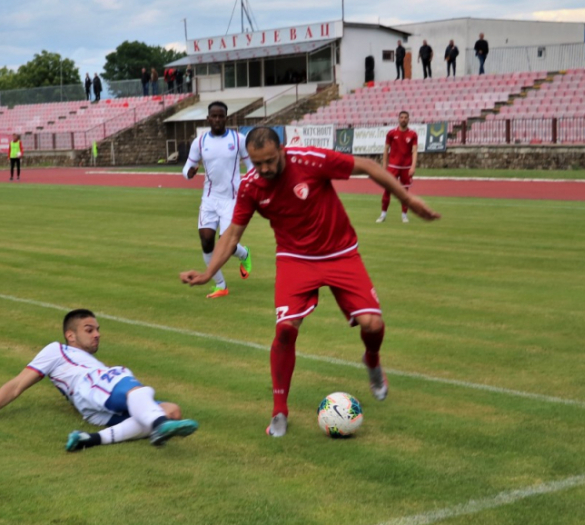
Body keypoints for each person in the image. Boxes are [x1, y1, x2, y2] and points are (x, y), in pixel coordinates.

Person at [180, 127, 440, 437]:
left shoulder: (312, 160)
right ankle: (279, 411)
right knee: (285, 330)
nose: (264, 169)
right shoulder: (251, 186)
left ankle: (371, 360)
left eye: (270, 161)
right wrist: (208, 273)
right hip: (295, 260)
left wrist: (408, 198)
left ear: (283, 150)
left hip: (341, 253)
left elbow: (368, 167)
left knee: (372, 324)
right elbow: (233, 234)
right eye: (257, 163)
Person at [0, 309, 199, 451]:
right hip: (87, 386)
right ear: (71, 335)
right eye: (89, 330)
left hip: (96, 408)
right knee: (124, 377)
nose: (97, 334)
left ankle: (88, 439)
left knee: (172, 411)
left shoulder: (92, 362)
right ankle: (157, 425)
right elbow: (15, 386)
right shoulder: (57, 351)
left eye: (98, 330)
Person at [182, 101, 255, 299]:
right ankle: (220, 285)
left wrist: (249, 185)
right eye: (213, 116)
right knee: (206, 241)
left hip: (232, 199)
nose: (217, 119)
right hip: (209, 198)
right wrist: (189, 172)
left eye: (220, 116)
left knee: (227, 244)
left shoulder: (238, 139)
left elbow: (250, 166)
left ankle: (244, 254)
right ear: (208, 119)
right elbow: (187, 168)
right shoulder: (200, 142)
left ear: (226, 118)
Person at [377, 111, 419, 223]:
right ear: (398, 119)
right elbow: (386, 149)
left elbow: (414, 151)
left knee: (404, 192)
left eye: (406, 117)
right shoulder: (391, 133)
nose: (403, 119)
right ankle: (383, 215)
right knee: (388, 189)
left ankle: (404, 215)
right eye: (402, 117)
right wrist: (384, 165)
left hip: (406, 167)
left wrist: (413, 166)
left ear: (408, 119)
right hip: (393, 166)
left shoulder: (413, 134)